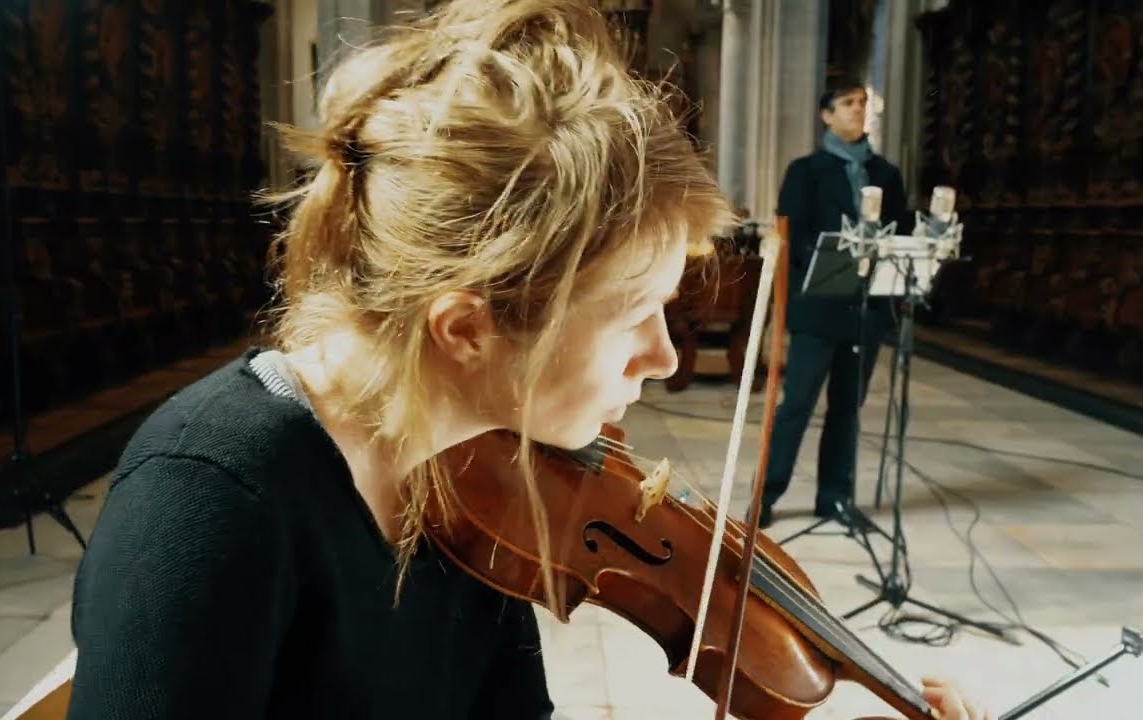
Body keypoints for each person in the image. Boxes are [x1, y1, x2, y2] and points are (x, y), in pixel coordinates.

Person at [64, 1, 987, 718]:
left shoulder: (481, 471)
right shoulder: (207, 503)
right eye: (633, 316)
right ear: (466, 329)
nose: (665, 358)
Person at [758, 81, 914, 528]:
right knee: (796, 406)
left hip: (866, 309)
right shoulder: (806, 171)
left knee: (847, 408)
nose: (858, 110)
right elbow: (793, 234)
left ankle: (835, 498)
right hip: (819, 305)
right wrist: (839, 256)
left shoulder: (886, 174)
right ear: (826, 115)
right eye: (848, 103)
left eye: (862, 103)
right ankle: (766, 495)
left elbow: (900, 231)